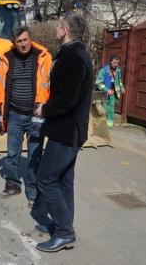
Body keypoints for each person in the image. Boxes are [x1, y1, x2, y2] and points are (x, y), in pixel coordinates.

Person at [32, 13, 93, 252]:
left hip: (66, 132)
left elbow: (67, 100)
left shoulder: (74, 58)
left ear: (65, 31)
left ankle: (65, 232)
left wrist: (43, 108)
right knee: (64, 181)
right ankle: (62, 227)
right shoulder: (71, 54)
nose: (56, 29)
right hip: (67, 130)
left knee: (46, 179)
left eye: (59, 26)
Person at [0, 26, 52, 206]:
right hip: (13, 115)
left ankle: (33, 191)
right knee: (12, 153)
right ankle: (13, 184)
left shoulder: (43, 57)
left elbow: (51, 85)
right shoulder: (7, 59)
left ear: (30, 39)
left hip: (35, 116)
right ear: (14, 42)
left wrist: (50, 109)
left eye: (25, 40)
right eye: (19, 41)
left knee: (35, 155)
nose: (23, 44)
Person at [96, 54, 125, 128]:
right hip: (105, 95)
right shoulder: (104, 70)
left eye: (117, 63)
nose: (116, 65)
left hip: (113, 94)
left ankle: (109, 127)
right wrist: (107, 90)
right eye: (114, 63)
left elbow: (119, 81)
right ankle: (100, 126)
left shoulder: (118, 70)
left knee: (111, 111)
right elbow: (98, 82)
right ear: (110, 62)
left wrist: (122, 88)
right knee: (103, 110)